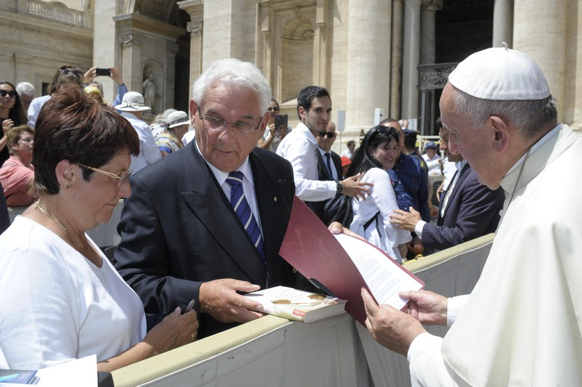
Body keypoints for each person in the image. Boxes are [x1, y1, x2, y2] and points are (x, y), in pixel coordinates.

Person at [361, 47, 582, 385]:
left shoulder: (544, 219)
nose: (453, 148)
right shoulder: (559, 167)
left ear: (498, 133)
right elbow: (538, 315)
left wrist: (413, 343)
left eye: (454, 134)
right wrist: (449, 309)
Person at [0, 87, 197, 371]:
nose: (126, 190)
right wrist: (155, 347)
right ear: (68, 174)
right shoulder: (28, 256)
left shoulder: (74, 234)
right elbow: (46, 381)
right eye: (117, 176)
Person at [114, 58, 301, 339]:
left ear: (263, 126)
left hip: (282, 340)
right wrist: (200, 296)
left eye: (241, 124)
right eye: (215, 120)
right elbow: (131, 282)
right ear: (194, 112)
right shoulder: (154, 186)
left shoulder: (278, 171)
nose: (225, 137)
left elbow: (285, 259)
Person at [389, 124, 504, 252]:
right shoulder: (463, 169)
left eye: (446, 141)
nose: (442, 147)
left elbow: (462, 237)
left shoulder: (480, 179)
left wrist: (418, 226)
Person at [277, 86, 371, 211]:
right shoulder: (300, 141)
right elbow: (296, 186)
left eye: (328, 111)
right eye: (318, 110)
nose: (325, 117)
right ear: (302, 112)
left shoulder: (305, 140)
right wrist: (340, 187)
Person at [346, 125, 411, 262]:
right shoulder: (378, 174)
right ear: (371, 150)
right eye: (386, 148)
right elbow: (392, 216)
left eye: (395, 148)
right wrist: (401, 244)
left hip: (361, 241)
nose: (392, 154)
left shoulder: (364, 172)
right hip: (376, 244)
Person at [115, 91, 162, 173]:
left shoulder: (113, 122)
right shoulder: (141, 126)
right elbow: (153, 157)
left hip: (114, 175)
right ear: (140, 110)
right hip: (136, 176)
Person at [0, 125, 35, 207]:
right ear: (14, 146)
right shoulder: (12, 168)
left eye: (34, 140)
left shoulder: (30, 167)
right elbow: (47, 186)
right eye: (27, 140)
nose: (33, 142)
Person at [0, 82, 28, 167]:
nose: (7, 96)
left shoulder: (20, 123)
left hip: (14, 170)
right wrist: (6, 136)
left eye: (12, 94)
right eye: (2, 93)